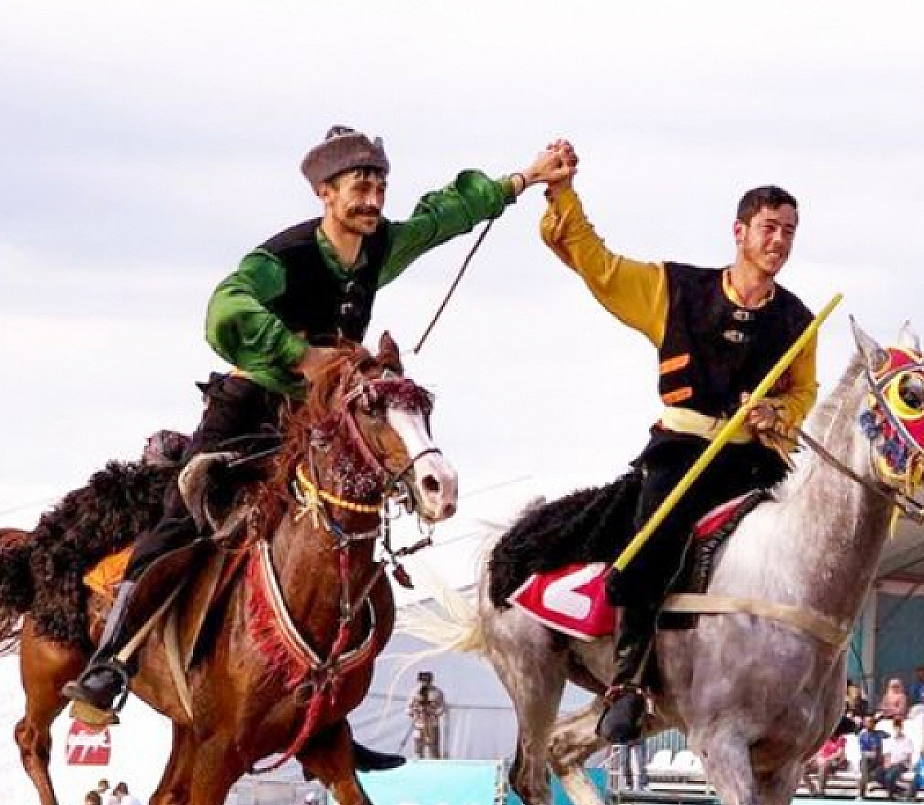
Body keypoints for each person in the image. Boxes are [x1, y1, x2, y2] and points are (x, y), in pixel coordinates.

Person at [61, 126, 573, 763]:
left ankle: (330, 712)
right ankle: (111, 664)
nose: (373, 196)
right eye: (360, 185)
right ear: (325, 192)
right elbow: (226, 307)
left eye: (379, 184)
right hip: (251, 406)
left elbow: (446, 215)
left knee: (343, 539)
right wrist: (298, 355)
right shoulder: (285, 256)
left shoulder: (380, 246)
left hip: (320, 422)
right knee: (184, 523)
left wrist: (524, 178)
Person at [537, 148, 818, 744]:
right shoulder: (675, 288)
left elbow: (804, 393)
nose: (780, 241)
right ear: (739, 232)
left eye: (789, 232)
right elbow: (602, 267)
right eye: (770, 228)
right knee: (653, 544)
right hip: (682, 452)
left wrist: (779, 413)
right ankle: (627, 681)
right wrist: (564, 197)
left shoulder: (799, 321)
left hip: (752, 460)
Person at [409, 671, 449, 760]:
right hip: (418, 724)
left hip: (432, 724)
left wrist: (433, 712)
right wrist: (414, 711)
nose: (424, 682)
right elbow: (409, 707)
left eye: (426, 680)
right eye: (422, 680)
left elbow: (442, 707)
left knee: (433, 749)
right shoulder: (415, 692)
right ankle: (418, 766)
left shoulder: (437, 692)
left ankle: (434, 766)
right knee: (417, 748)